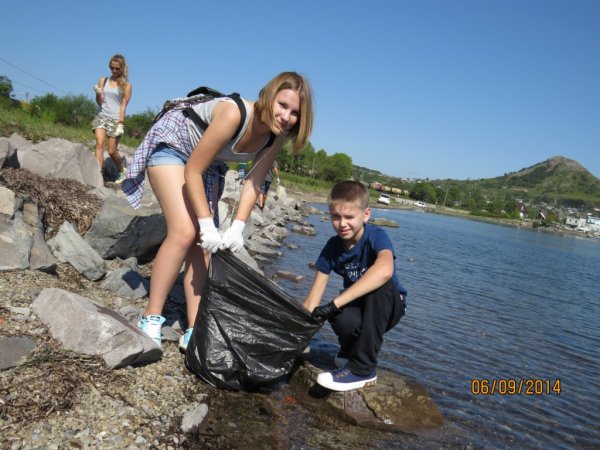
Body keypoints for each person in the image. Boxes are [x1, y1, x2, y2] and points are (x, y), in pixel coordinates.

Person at [121, 72, 314, 352]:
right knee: (186, 231)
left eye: (295, 113)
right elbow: (192, 169)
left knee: (203, 247)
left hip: (206, 163)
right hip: (174, 146)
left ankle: (194, 326)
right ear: (269, 95)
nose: (286, 116)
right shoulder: (234, 114)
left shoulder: (275, 138)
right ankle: (150, 318)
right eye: (282, 105)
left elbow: (254, 181)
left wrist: (237, 227)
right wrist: (206, 224)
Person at [303, 180, 407, 391]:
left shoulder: (376, 236)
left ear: (366, 214)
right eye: (336, 217)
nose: (342, 224)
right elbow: (312, 302)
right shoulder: (332, 248)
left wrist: (334, 303)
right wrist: (295, 335)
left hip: (389, 306)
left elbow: (386, 270)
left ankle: (362, 369)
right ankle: (350, 353)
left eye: (349, 217)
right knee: (337, 315)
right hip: (360, 306)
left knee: (378, 281)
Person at [91, 54, 131, 184]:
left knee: (112, 150)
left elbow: (123, 106)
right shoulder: (103, 80)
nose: (114, 71)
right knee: (99, 144)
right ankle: (98, 174)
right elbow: (99, 102)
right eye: (111, 68)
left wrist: (121, 124)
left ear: (122, 68)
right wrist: (98, 94)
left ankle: (121, 170)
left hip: (115, 119)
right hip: (102, 116)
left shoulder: (126, 85)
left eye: (117, 68)